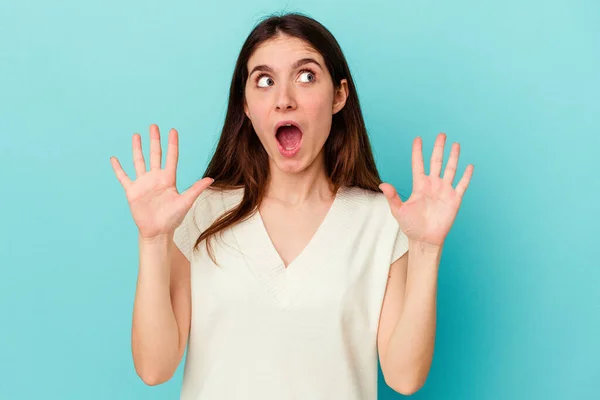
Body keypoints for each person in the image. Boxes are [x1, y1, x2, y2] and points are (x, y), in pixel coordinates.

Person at [110, 12, 473, 400]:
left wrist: (427, 249)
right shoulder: (200, 213)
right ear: (245, 106)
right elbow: (154, 368)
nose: (284, 100)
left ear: (339, 95)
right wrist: (152, 241)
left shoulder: (382, 220)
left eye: (306, 76)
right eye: (264, 81)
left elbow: (404, 377)